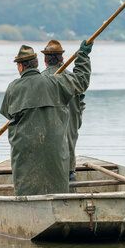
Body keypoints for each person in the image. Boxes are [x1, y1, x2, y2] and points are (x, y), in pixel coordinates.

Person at [0, 41, 93, 196]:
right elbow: (82, 81)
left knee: (27, 191)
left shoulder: (13, 88)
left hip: (25, 159)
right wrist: (82, 56)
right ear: (37, 64)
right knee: (60, 185)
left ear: (21, 67)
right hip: (58, 157)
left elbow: (7, 113)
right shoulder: (56, 83)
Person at [41, 39, 85, 187]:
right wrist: (83, 56)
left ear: (45, 60)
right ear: (62, 59)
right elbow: (80, 105)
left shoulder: (38, 81)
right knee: (69, 176)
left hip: (46, 156)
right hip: (69, 152)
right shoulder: (72, 80)